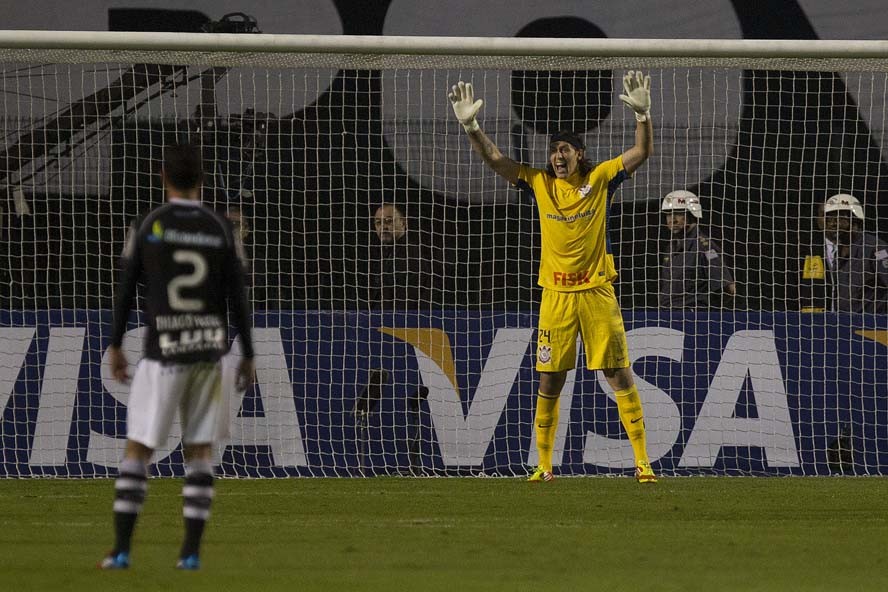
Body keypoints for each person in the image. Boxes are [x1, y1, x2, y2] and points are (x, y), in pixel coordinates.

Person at [448, 72, 657, 483]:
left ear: (580, 154)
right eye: (552, 150)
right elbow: (496, 160)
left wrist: (643, 115)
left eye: (564, 149)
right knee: (550, 379)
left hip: (597, 292)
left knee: (617, 374)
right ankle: (544, 465)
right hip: (556, 297)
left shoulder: (600, 180)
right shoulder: (539, 183)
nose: (557, 155)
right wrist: (472, 127)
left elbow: (640, 152)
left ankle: (642, 462)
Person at [100, 144, 255, 570]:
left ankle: (121, 550)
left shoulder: (151, 225)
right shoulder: (220, 227)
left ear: (162, 176)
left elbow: (127, 287)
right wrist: (249, 353)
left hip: (163, 352)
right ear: (202, 180)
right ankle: (189, 554)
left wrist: (115, 343)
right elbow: (238, 296)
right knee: (199, 454)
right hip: (209, 354)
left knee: (138, 451)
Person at [659, 190, 737, 309]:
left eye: (678, 213)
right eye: (669, 214)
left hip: (693, 318)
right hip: (666, 316)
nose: (672, 219)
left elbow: (729, 289)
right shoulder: (670, 248)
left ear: (692, 215)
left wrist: (704, 314)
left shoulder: (704, 247)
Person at [818, 193, 888, 313]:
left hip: (872, 325)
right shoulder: (838, 251)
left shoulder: (875, 248)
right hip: (842, 324)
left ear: (854, 219)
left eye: (839, 218)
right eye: (829, 218)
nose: (832, 223)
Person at [367, 202, 434, 310]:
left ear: (403, 223)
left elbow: (404, 305)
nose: (383, 227)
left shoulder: (410, 257)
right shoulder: (388, 253)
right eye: (378, 223)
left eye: (388, 221)